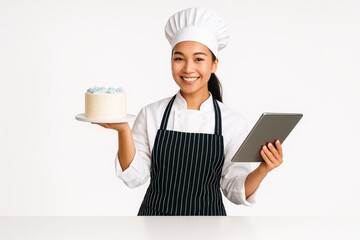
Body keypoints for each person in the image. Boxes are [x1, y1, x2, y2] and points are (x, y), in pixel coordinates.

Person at [97, 7, 283, 216]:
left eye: (199, 59)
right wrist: (123, 130)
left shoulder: (232, 121)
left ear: (214, 64)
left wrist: (263, 169)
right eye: (179, 58)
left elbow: (234, 190)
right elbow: (134, 177)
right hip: (154, 223)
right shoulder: (152, 114)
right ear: (171, 62)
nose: (188, 68)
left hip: (209, 226)